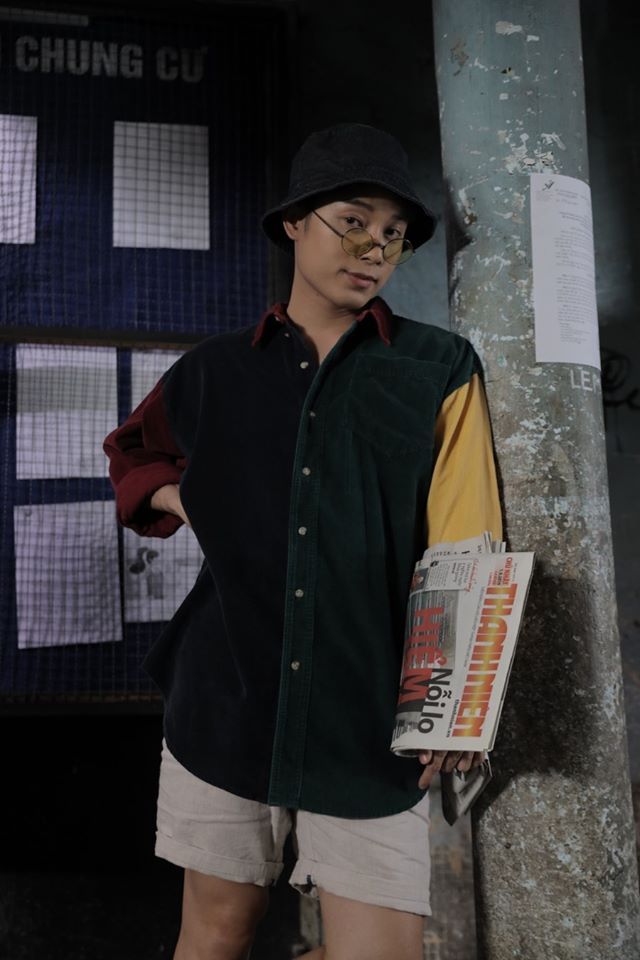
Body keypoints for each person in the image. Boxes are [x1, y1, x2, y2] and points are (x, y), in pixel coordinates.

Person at [104, 122, 502, 960]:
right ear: (293, 222)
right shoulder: (213, 372)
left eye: (393, 233)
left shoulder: (437, 368)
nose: (374, 248)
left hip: (368, 719)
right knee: (214, 936)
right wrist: (185, 498)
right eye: (352, 221)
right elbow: (133, 454)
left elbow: (467, 546)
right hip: (225, 704)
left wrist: (457, 708)